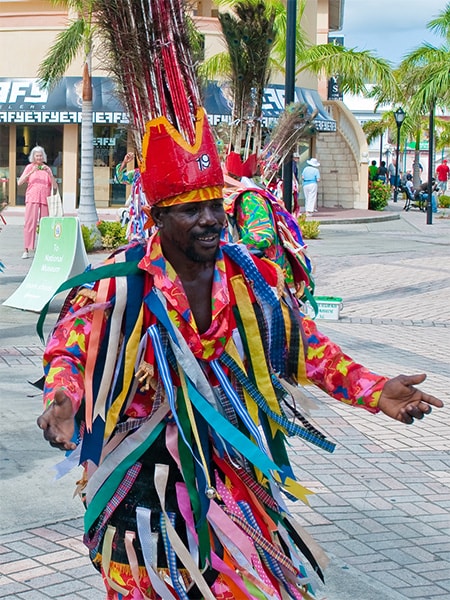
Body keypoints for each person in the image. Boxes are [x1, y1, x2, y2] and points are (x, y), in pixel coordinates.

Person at [35, 2, 444, 598]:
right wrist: (64, 400)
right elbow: (68, 350)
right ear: (156, 216)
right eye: (191, 209)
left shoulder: (250, 282)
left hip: (232, 493)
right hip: (140, 505)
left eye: (214, 206)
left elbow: (303, 346)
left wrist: (374, 389)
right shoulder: (118, 286)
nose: (210, 220)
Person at [17, 145, 56, 259]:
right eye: (37, 155)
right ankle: (27, 249)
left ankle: (44, 248)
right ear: (33, 157)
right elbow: (20, 182)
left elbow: (55, 187)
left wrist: (50, 173)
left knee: (45, 224)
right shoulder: (29, 167)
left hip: (45, 198)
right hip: (32, 197)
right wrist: (30, 172)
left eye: (40, 155)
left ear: (43, 157)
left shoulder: (47, 168)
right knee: (30, 223)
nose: (39, 157)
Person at [114, 151, 149, 240]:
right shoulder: (136, 174)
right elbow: (120, 179)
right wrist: (124, 162)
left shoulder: (157, 173)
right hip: (138, 218)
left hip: (152, 216)